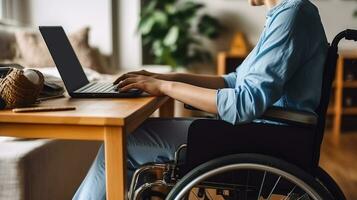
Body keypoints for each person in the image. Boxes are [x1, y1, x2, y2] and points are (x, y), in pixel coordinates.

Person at [73, 0, 328, 199]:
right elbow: (232, 82)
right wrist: (163, 77)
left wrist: (165, 86)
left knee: (124, 143)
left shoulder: (293, 15)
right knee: (135, 134)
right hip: (257, 132)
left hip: (262, 138)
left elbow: (243, 103)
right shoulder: (284, 16)